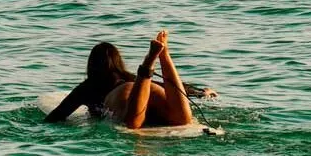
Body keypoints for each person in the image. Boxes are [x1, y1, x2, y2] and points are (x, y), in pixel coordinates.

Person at [43, 33, 216, 128]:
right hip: (145, 88)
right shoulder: (130, 78)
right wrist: (201, 92)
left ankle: (149, 61)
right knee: (182, 119)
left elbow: (57, 116)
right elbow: (170, 87)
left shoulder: (88, 87)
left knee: (132, 123)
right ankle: (164, 56)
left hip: (123, 95)